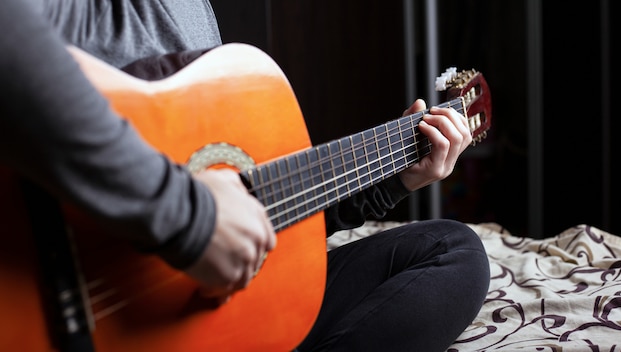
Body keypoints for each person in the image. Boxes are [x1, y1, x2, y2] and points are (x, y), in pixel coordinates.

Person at [0, 1, 490, 351]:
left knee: (454, 252)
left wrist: (395, 178)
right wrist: (189, 219)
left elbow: (251, 221)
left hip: (200, 321)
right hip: (58, 315)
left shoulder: (195, 14)